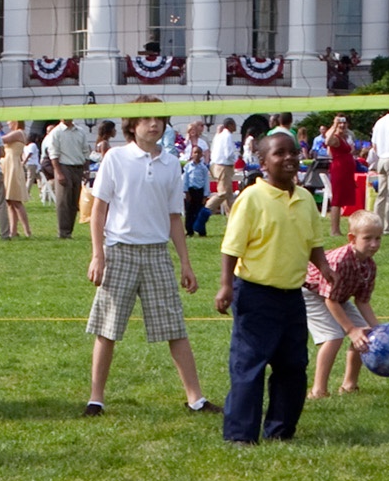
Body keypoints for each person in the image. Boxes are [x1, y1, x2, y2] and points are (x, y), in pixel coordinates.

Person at [81, 112, 209, 417]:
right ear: (132, 126)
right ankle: (95, 400)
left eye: (159, 120)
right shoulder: (115, 158)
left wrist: (186, 264)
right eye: (146, 119)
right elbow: (99, 209)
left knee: (175, 328)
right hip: (119, 251)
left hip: (156, 253)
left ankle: (196, 399)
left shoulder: (170, 165)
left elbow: (174, 217)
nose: (153, 125)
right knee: (107, 328)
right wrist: (98, 254)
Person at [214, 128, 330, 444]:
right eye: (280, 153)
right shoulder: (252, 198)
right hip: (255, 294)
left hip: (292, 296)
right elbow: (231, 247)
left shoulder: (305, 198)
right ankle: (241, 435)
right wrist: (226, 286)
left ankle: (281, 430)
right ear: (263, 161)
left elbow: (314, 242)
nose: (289, 158)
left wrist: (325, 268)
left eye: (293, 152)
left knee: (293, 365)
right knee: (249, 365)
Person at [304, 209, 386, 397]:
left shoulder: (370, 265)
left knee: (364, 333)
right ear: (352, 238)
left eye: (378, 238)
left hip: (337, 297)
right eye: (367, 238)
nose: (374, 244)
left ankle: (349, 385)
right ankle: (318, 390)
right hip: (311, 294)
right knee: (333, 336)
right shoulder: (340, 261)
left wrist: (378, 329)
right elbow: (330, 300)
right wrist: (350, 330)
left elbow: (362, 301)